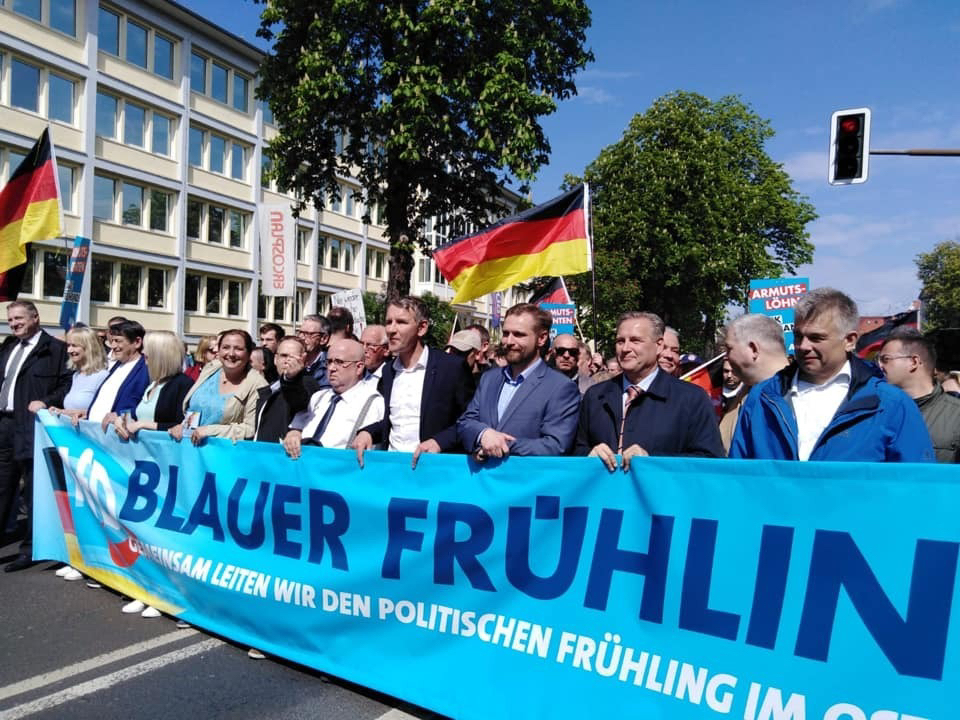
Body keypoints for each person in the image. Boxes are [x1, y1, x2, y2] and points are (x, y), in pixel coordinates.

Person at [730, 288, 934, 462]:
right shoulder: (762, 398)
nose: (803, 346)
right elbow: (738, 480)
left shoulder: (891, 405)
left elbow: (917, 487)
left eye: (816, 338)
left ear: (850, 340)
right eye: (798, 335)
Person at [109, 331, 193, 617]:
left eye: (148, 353)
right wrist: (125, 420)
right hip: (146, 467)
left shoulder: (181, 384)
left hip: (167, 469)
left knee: (164, 536)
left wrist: (144, 424)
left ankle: (165, 592)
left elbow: (178, 424)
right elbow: (137, 415)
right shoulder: (154, 383)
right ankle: (146, 587)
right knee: (144, 534)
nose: (143, 357)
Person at [576, 311, 724, 470]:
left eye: (635, 340)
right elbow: (576, 450)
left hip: (660, 492)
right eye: (620, 341)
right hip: (605, 492)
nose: (625, 348)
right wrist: (588, 455)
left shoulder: (691, 398)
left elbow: (710, 461)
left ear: (659, 345)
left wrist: (652, 460)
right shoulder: (596, 395)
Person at [353, 296, 473, 468]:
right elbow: (396, 421)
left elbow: (470, 421)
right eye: (388, 322)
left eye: (401, 322)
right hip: (394, 469)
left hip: (434, 471)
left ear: (422, 328)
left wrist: (439, 442)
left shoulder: (451, 367)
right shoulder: (389, 371)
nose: (391, 330)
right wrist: (368, 432)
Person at [0, 301, 71, 571]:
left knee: (32, 491)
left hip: (32, 426)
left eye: (19, 318)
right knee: (3, 487)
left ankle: (29, 549)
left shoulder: (55, 350)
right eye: (10, 319)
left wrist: (46, 401)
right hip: (4, 424)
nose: (14, 323)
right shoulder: (8, 347)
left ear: (35, 317)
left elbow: (67, 384)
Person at [457, 304, 580, 458]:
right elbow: (466, 422)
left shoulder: (561, 387)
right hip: (482, 479)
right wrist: (483, 434)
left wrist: (502, 445)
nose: (509, 341)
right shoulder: (489, 379)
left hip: (526, 479)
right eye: (506, 333)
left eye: (518, 334)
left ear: (541, 338)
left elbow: (556, 445)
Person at [284, 338, 385, 456]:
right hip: (306, 466)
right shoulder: (319, 397)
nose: (331, 368)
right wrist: (294, 433)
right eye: (329, 362)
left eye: (339, 362)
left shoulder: (374, 402)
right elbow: (297, 426)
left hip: (341, 470)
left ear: (359, 367)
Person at [169, 329, 267, 445]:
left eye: (238, 349)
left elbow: (250, 429)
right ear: (219, 351)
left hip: (224, 454)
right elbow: (196, 409)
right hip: (192, 450)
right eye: (226, 347)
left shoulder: (258, 385)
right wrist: (183, 427)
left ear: (249, 353)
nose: (231, 354)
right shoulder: (210, 369)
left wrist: (210, 431)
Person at [878, 327, 960, 463]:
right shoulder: (875, 412)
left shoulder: (956, 415)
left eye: (885, 359)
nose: (879, 366)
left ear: (914, 362)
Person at [719, 314, 791, 453]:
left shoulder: (793, 395)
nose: (726, 357)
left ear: (753, 349)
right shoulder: (749, 394)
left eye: (729, 349)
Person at [254, 336, 320, 443]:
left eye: (294, 357)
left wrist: (290, 379)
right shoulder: (267, 390)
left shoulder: (308, 384)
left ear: (304, 360)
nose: (288, 361)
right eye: (284, 356)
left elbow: (298, 400)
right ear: (275, 359)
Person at [87, 321, 149, 427]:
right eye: (112, 341)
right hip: (95, 434)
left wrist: (121, 415)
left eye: (118, 341)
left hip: (119, 437)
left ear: (137, 342)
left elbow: (148, 408)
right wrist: (86, 413)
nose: (113, 346)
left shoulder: (147, 370)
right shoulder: (116, 366)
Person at [49, 325, 110, 427]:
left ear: (89, 348)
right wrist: (60, 411)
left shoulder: (102, 376)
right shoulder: (76, 376)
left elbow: (106, 411)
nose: (69, 350)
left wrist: (84, 413)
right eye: (68, 346)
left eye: (74, 345)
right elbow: (72, 409)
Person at [298, 314, 331, 387]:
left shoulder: (330, 366)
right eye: (300, 332)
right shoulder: (294, 359)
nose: (302, 338)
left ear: (324, 339)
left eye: (308, 334)